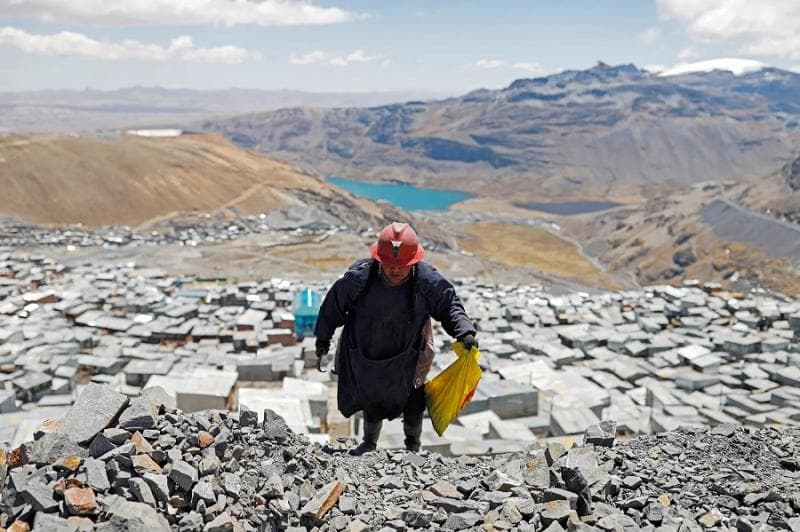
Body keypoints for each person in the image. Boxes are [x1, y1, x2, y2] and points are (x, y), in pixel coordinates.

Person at [314, 222, 477, 455]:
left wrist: (465, 331)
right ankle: (369, 444)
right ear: (379, 259)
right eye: (389, 264)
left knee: (414, 402)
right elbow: (332, 307)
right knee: (371, 400)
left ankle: (413, 447)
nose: (395, 270)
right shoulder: (359, 279)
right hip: (367, 355)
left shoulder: (426, 281)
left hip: (409, 356)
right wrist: (322, 339)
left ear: (413, 262)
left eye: (402, 266)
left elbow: (449, 305)